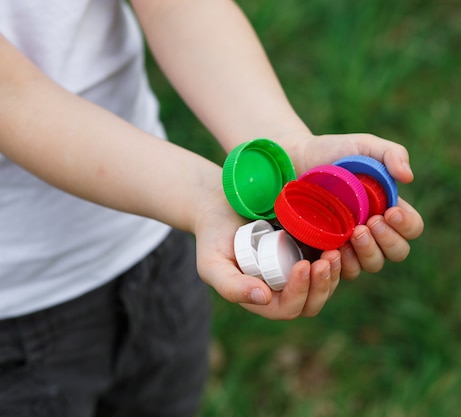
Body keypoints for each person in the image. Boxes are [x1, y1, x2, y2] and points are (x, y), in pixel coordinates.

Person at [0, 0, 424, 416]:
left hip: (151, 247)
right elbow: (13, 98)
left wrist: (284, 145)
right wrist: (198, 195)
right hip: (20, 305)